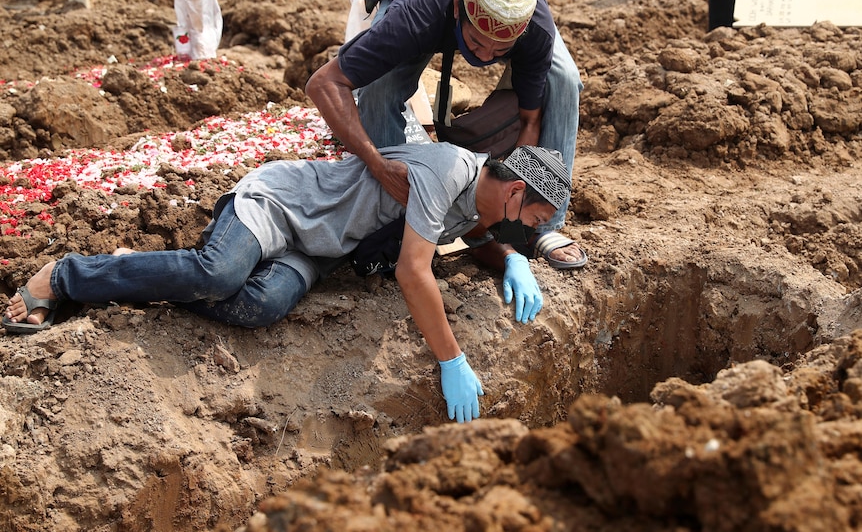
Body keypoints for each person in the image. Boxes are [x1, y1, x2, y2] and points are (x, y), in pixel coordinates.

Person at [3, 144, 571, 424]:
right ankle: (65, 275)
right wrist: (450, 358)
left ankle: (146, 272)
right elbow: (412, 270)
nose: (528, 231)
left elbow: (471, 231)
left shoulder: (480, 198)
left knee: (262, 304)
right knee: (217, 273)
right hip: (281, 206)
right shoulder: (449, 169)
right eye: (534, 219)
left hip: (316, 250)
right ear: (517, 193)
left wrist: (508, 261)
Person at [305, 0, 587, 271]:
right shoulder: (416, 15)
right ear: (457, 9)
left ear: (519, 34)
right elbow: (324, 82)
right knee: (380, 87)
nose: (483, 56)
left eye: (499, 50)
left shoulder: (534, 27)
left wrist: (510, 224)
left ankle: (545, 226)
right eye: (476, 42)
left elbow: (530, 119)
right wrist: (380, 165)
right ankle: (395, 217)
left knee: (562, 79)